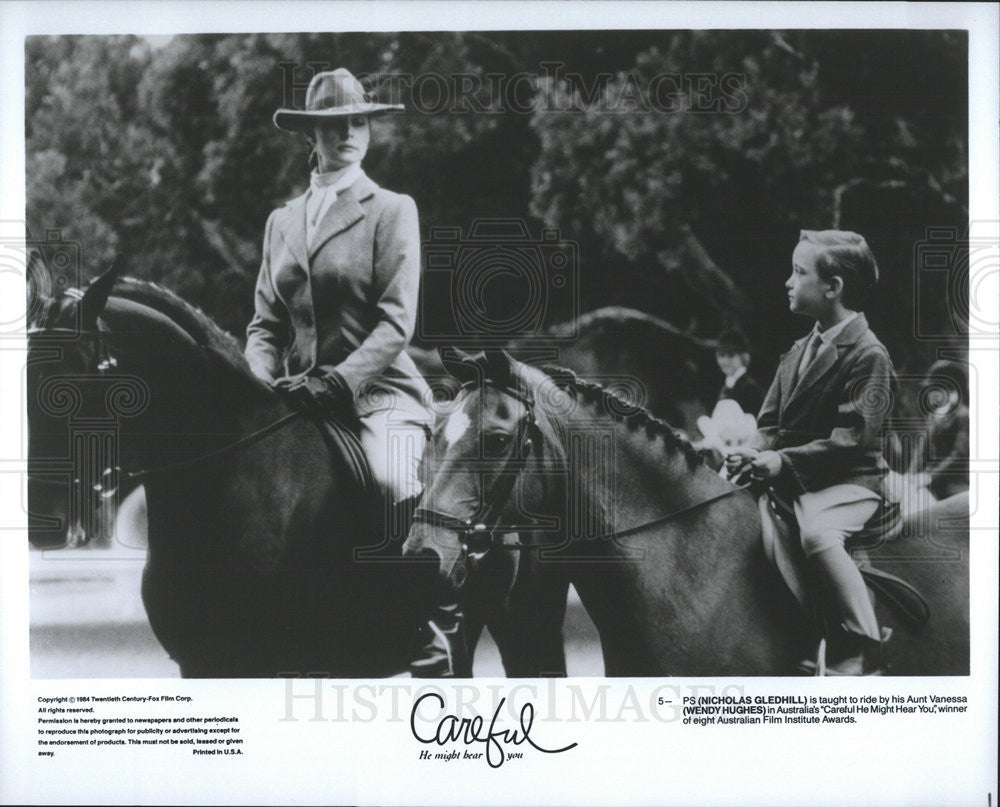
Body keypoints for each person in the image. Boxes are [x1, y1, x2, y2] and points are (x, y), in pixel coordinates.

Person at [245, 68, 464, 676]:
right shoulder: (281, 221)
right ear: (309, 137)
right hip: (295, 398)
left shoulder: (392, 209)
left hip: (378, 394)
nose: (347, 134)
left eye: (357, 122)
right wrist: (258, 382)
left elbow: (397, 323)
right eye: (332, 125)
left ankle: (417, 621)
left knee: (391, 479)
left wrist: (339, 380)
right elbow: (265, 326)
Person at [726, 230, 895, 675]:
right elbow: (769, 424)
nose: (788, 281)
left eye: (799, 272)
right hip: (801, 480)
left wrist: (782, 460)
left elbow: (853, 438)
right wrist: (751, 452)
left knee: (818, 536)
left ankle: (864, 643)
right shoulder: (798, 351)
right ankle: (800, 633)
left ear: (833, 287)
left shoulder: (868, 354)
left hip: (852, 482)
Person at [714, 327, 765, 416]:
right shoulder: (726, 386)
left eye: (731, 355)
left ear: (744, 356)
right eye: (721, 355)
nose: (725, 361)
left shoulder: (750, 388)